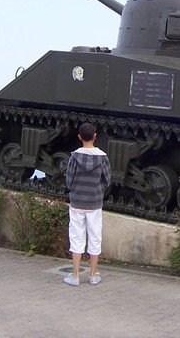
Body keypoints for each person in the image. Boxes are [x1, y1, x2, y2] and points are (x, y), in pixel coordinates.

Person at [64, 122, 111, 287]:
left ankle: (75, 276)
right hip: (94, 203)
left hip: (77, 202)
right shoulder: (103, 158)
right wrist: (97, 190)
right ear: (95, 136)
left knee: (76, 237)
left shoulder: (74, 157)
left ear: (79, 137)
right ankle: (92, 275)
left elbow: (68, 180)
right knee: (95, 237)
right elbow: (107, 180)